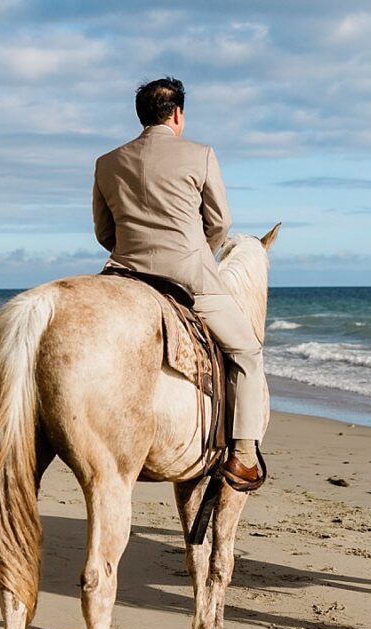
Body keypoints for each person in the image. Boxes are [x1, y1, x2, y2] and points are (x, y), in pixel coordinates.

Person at [92, 77, 268, 491]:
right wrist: (198, 254)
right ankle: (243, 456)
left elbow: (104, 231)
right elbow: (221, 223)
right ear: (177, 114)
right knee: (247, 351)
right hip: (188, 278)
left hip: (124, 274)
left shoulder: (107, 162)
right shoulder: (201, 154)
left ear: (142, 116)